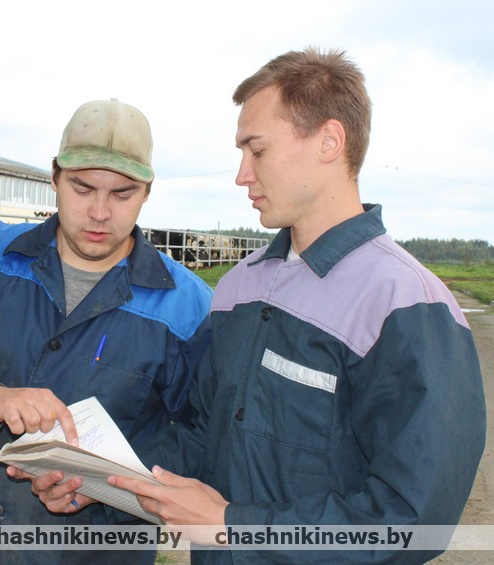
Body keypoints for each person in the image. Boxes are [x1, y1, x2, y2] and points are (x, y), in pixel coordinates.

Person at [35, 48, 487, 563]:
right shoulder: (238, 290)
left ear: (329, 141)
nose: (241, 175)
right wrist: (98, 480)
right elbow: (204, 439)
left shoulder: (405, 303)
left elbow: (414, 518)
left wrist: (234, 528)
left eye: (257, 150)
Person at [0, 98, 213, 564]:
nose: (100, 212)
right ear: (55, 178)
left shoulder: (187, 304)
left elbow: (206, 433)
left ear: (147, 192)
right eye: (82, 188)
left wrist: (106, 484)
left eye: (122, 194)